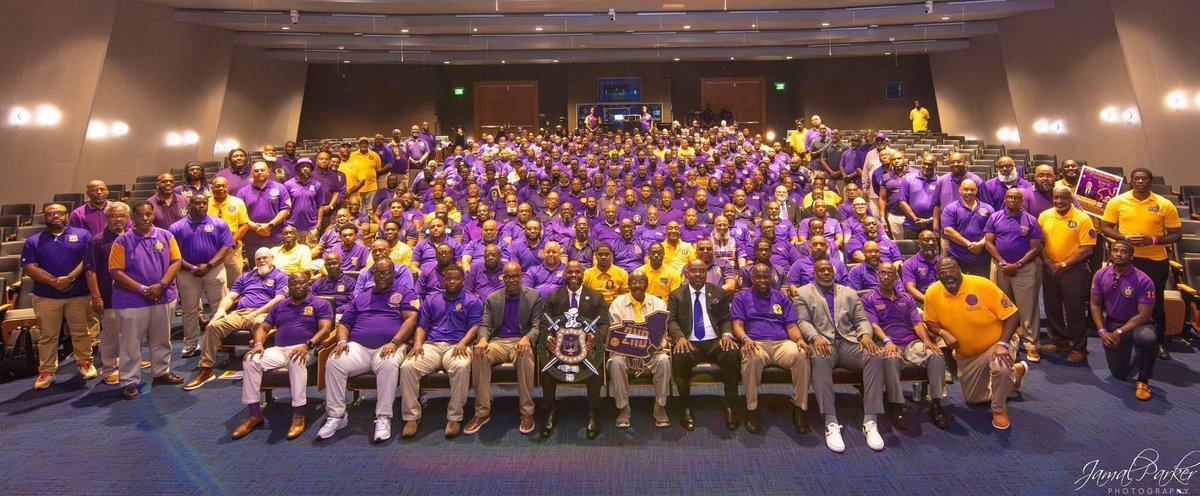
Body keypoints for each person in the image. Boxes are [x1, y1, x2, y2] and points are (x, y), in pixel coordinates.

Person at [318, 261, 419, 442]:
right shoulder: (362, 296)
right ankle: (336, 416)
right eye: (378, 273)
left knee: (388, 364)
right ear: (372, 275)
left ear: (393, 274)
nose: (381, 276)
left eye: (386, 272)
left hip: (390, 345)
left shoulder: (404, 292)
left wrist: (395, 342)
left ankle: (383, 417)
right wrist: (341, 340)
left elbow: (411, 319)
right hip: (359, 347)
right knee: (334, 361)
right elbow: (344, 323)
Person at [923, 258, 1026, 430]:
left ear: (960, 269)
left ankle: (999, 408)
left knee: (1000, 364)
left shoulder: (982, 285)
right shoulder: (933, 293)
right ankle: (1015, 372)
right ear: (937, 275)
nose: (949, 275)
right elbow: (930, 322)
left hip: (995, 344)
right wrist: (942, 333)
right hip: (966, 355)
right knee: (974, 399)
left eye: (952, 270)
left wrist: (1003, 343)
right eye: (943, 272)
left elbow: (1012, 314)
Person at [795, 259, 887, 452]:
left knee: (875, 356)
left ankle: (870, 420)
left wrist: (865, 335)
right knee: (818, 360)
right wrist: (814, 337)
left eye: (829, 270)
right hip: (823, 344)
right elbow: (803, 321)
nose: (826, 273)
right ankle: (830, 421)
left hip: (848, 342)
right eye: (822, 270)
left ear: (834, 273)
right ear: (814, 273)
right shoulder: (803, 293)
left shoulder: (849, 293)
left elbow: (862, 320)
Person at [232, 271, 333, 440]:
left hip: (306, 349)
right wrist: (258, 344)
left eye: (302, 283)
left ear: (308, 284)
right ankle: (254, 414)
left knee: (295, 359)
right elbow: (263, 328)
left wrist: (307, 344)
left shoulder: (320, 304)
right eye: (294, 283)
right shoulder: (279, 305)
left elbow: (325, 329)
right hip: (279, 349)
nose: (298, 286)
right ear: (289, 286)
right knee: (251, 360)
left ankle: (298, 414)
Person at [1100, 168, 1182, 361]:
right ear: (1131, 181)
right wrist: (1125, 238)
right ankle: (1124, 336)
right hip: (1126, 260)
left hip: (1155, 260)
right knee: (1123, 299)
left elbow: (1176, 235)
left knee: (1156, 302)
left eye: (1145, 179)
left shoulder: (1164, 204)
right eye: (1137, 178)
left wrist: (1152, 240)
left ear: (1150, 181)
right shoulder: (1118, 201)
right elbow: (1105, 228)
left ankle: (1159, 342)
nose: (1141, 182)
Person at [108, 201, 186, 398]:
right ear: (132, 218)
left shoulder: (166, 235)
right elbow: (116, 271)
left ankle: (161, 371)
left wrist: (161, 284)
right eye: (140, 215)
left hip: (163, 296)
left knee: (162, 338)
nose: (145, 218)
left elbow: (176, 261)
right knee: (131, 343)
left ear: (153, 216)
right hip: (131, 300)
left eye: (148, 214)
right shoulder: (122, 241)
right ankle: (129, 380)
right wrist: (142, 289)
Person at [184, 248, 288, 391]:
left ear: (272, 258)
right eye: (258, 259)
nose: (262, 261)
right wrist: (221, 310)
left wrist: (256, 313)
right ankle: (206, 369)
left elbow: (279, 299)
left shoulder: (281, 276)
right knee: (213, 325)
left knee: (259, 324)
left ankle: (257, 368)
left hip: (264, 313)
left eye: (265, 257)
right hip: (240, 312)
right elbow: (231, 296)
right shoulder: (246, 276)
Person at [862, 263, 949, 430]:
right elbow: (873, 325)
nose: (886, 277)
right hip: (886, 342)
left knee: (936, 355)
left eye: (890, 274)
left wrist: (926, 340)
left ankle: (936, 403)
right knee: (891, 358)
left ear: (896, 277)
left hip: (909, 343)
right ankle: (896, 405)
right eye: (882, 273)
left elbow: (917, 323)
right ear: (877, 276)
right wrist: (887, 341)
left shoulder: (906, 298)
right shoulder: (869, 298)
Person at [400, 265, 482, 439]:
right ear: (443, 280)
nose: (452, 282)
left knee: (461, 366)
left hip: (457, 345)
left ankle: (454, 417)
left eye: (456, 278)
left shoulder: (472, 300)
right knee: (408, 366)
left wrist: (463, 343)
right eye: (448, 278)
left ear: (463, 280)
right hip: (432, 345)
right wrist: (417, 343)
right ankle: (411, 417)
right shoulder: (432, 299)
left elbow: (475, 327)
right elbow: (423, 326)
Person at [731, 263, 811, 435]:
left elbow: (791, 327)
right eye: (758, 277)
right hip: (755, 343)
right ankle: (751, 408)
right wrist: (745, 339)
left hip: (781, 344)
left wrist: (799, 340)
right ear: (751, 278)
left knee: (802, 354)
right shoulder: (741, 296)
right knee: (750, 357)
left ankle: (799, 408)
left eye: (766, 276)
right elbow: (737, 325)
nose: (762, 280)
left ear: (771, 278)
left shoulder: (781, 298)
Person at [21, 204, 96, 389]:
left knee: (81, 332)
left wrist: (69, 278)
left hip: (78, 294)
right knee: (47, 336)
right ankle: (46, 371)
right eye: (50, 214)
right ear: (44, 217)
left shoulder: (82, 235)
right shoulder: (33, 240)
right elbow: (30, 267)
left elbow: (87, 261)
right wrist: (55, 282)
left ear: (67, 215)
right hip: (46, 297)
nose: (55, 216)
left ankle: (85, 363)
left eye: (59, 213)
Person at [464, 262, 543, 435]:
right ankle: (482, 412)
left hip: (520, 340)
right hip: (499, 341)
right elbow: (485, 324)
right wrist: (483, 339)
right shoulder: (493, 298)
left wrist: (527, 338)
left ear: (521, 277)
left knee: (525, 355)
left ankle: (527, 412)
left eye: (515, 276)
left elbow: (537, 326)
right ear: (503, 277)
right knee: (479, 354)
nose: (511, 280)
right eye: (507, 276)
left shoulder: (534, 296)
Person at [539, 261, 609, 439]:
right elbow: (545, 323)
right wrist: (548, 338)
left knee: (595, 366)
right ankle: (550, 410)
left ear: (583, 274)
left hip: (587, 347)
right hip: (560, 348)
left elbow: (604, 324)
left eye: (577, 272)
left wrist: (596, 337)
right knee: (547, 367)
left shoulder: (595, 297)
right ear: (564, 274)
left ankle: (593, 412)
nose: (573, 275)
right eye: (570, 272)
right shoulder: (554, 296)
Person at [667, 259, 740, 431]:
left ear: (706, 273)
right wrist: (679, 337)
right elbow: (671, 321)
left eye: (701, 271)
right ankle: (685, 407)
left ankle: (731, 406)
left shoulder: (717, 292)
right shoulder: (676, 295)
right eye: (694, 271)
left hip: (715, 341)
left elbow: (725, 319)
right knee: (679, 357)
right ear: (687, 273)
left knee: (731, 354)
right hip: (689, 342)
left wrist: (727, 335)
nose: (698, 274)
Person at [1090, 240, 1158, 400]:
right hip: (1113, 322)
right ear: (1110, 253)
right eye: (1115, 250)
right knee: (1118, 374)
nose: (1118, 254)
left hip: (1138, 324)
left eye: (1123, 251)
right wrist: (1102, 331)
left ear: (1132, 256)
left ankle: (1143, 379)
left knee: (1147, 338)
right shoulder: (1100, 274)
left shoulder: (1144, 280)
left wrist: (1119, 332)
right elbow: (1095, 304)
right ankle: (1128, 353)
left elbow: (1144, 315)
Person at [168, 193, 234, 358]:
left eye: (204, 203)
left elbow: (226, 247)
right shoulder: (176, 227)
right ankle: (190, 344)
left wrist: (209, 265)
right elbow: (173, 254)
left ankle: (220, 341)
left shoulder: (219, 223)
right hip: (187, 273)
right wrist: (191, 268)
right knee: (189, 309)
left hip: (214, 269)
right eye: (197, 203)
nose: (201, 206)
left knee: (219, 307)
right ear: (190, 205)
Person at [983, 188, 1044, 361]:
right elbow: (989, 242)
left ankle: (1031, 345)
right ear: (1004, 199)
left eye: (1017, 197)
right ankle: (1002, 341)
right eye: (1010, 197)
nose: (1013, 200)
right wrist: (1003, 262)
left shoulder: (1031, 220)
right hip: (1000, 267)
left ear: (1022, 200)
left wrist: (1017, 264)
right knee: (1000, 306)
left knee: (1028, 307)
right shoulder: (995, 217)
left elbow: (1035, 248)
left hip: (1023, 269)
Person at [1037, 186, 1096, 362]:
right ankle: (1060, 341)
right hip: (1050, 268)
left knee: (1074, 309)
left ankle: (1079, 347)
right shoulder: (1045, 215)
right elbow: (1039, 242)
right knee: (1052, 306)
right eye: (1056, 198)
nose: (1059, 201)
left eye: (1063, 198)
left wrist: (1062, 264)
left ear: (1071, 199)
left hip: (1073, 270)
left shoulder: (1083, 219)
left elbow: (1087, 249)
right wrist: (1048, 262)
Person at [607, 270, 672, 428]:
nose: (637, 285)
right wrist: (647, 339)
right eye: (634, 282)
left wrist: (635, 336)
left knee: (664, 361)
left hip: (652, 353)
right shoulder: (617, 304)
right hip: (625, 352)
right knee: (615, 363)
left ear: (647, 284)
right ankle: (624, 408)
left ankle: (660, 406)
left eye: (641, 281)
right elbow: (618, 336)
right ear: (628, 285)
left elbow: (661, 334)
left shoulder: (658, 303)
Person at [85, 202, 129, 384]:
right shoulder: (97, 240)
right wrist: (96, 296)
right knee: (111, 334)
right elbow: (90, 270)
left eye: (121, 216)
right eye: (114, 216)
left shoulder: (132, 236)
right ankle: (110, 367)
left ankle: (128, 362)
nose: (118, 219)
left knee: (131, 331)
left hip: (133, 295)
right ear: (106, 218)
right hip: (108, 294)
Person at [237, 161, 292, 261]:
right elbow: (240, 215)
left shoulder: (280, 188)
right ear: (252, 173)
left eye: (262, 170)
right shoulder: (243, 192)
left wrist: (269, 225)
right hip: (252, 239)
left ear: (268, 172)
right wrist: (255, 227)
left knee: (277, 267)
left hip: (275, 237)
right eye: (256, 170)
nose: (259, 172)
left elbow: (285, 210)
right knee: (255, 269)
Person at [940, 179, 991, 277]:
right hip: (957, 256)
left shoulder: (988, 209)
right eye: (966, 189)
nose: (969, 192)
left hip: (981, 257)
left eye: (972, 190)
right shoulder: (950, 209)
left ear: (976, 190)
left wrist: (980, 244)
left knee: (979, 287)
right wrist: (969, 244)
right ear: (960, 190)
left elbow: (992, 231)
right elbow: (948, 231)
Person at [208, 176, 252, 289]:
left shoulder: (237, 202)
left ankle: (234, 305)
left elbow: (245, 224)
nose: (220, 188)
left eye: (223, 186)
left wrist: (230, 242)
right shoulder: (205, 203)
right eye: (217, 186)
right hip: (212, 249)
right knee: (215, 282)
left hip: (233, 248)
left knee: (235, 281)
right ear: (212, 188)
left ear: (227, 187)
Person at [901, 230, 941, 305]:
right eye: (926, 240)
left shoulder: (942, 261)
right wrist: (929, 302)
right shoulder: (909, 264)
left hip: (942, 298)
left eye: (934, 240)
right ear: (920, 244)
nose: (931, 243)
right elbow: (910, 289)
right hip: (921, 300)